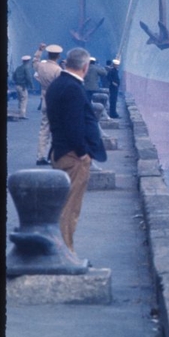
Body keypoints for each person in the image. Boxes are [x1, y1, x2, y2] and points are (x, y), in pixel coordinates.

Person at [45, 47, 107, 252]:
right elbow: (74, 126)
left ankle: (62, 250)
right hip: (73, 157)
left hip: (61, 151)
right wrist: (83, 153)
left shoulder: (58, 84)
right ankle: (65, 253)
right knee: (70, 209)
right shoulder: (72, 88)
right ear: (86, 66)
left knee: (65, 206)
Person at [33, 43, 64, 165]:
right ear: (58, 56)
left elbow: (35, 61)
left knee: (44, 129)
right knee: (57, 130)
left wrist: (39, 50)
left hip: (45, 98)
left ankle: (40, 157)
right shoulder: (58, 70)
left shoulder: (41, 66)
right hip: (55, 102)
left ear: (48, 54)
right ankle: (54, 156)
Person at [12, 54, 34, 119]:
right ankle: (22, 114)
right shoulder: (26, 68)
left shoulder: (18, 68)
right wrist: (31, 85)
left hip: (17, 85)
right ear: (28, 61)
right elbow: (28, 77)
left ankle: (19, 112)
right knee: (24, 99)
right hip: (23, 86)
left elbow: (13, 76)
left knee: (19, 99)